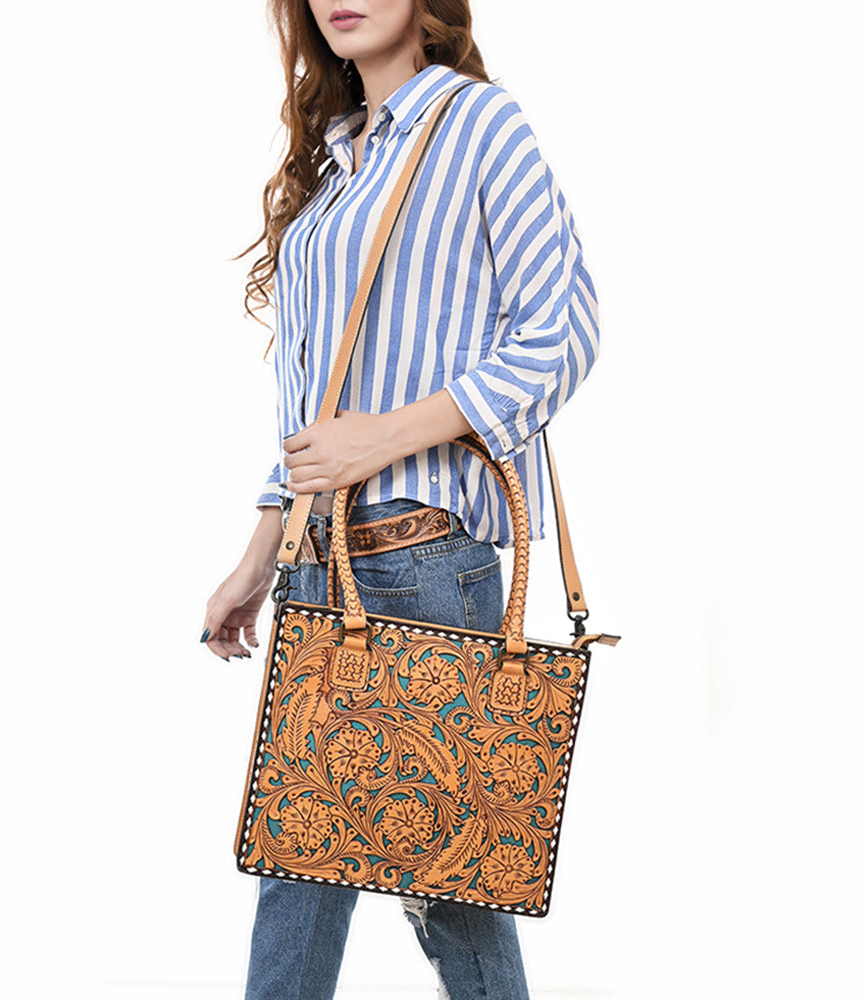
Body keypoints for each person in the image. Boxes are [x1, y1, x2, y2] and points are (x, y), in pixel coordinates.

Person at [201, 2, 602, 997]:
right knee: (299, 867)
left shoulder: (479, 124)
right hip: (316, 563)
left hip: (422, 556)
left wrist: (382, 437)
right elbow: (313, 404)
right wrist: (257, 557)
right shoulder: (340, 162)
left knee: (451, 888)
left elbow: (562, 334)